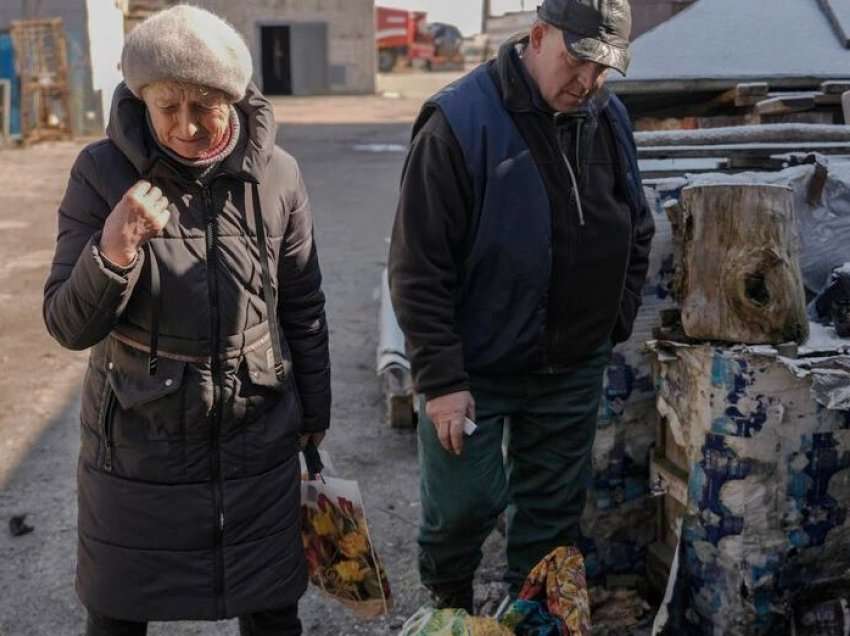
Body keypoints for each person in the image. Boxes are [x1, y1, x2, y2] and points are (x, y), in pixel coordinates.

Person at [42, 6, 330, 635]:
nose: (186, 127)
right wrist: (114, 249)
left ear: (234, 97)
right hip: (139, 447)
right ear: (140, 100)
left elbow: (303, 305)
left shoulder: (277, 175)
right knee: (119, 615)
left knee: (273, 608)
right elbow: (67, 324)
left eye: (205, 106)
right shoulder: (101, 172)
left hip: (257, 435)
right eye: (166, 107)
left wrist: (313, 416)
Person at [388, 0, 654, 611]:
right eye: (577, 61)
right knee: (464, 506)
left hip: (570, 365)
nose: (587, 83)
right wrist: (444, 381)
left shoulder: (608, 118)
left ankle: (533, 618)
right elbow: (417, 267)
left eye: (602, 69)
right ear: (538, 37)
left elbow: (636, 226)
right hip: (475, 366)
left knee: (552, 513)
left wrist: (611, 322)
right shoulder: (459, 122)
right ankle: (449, 604)